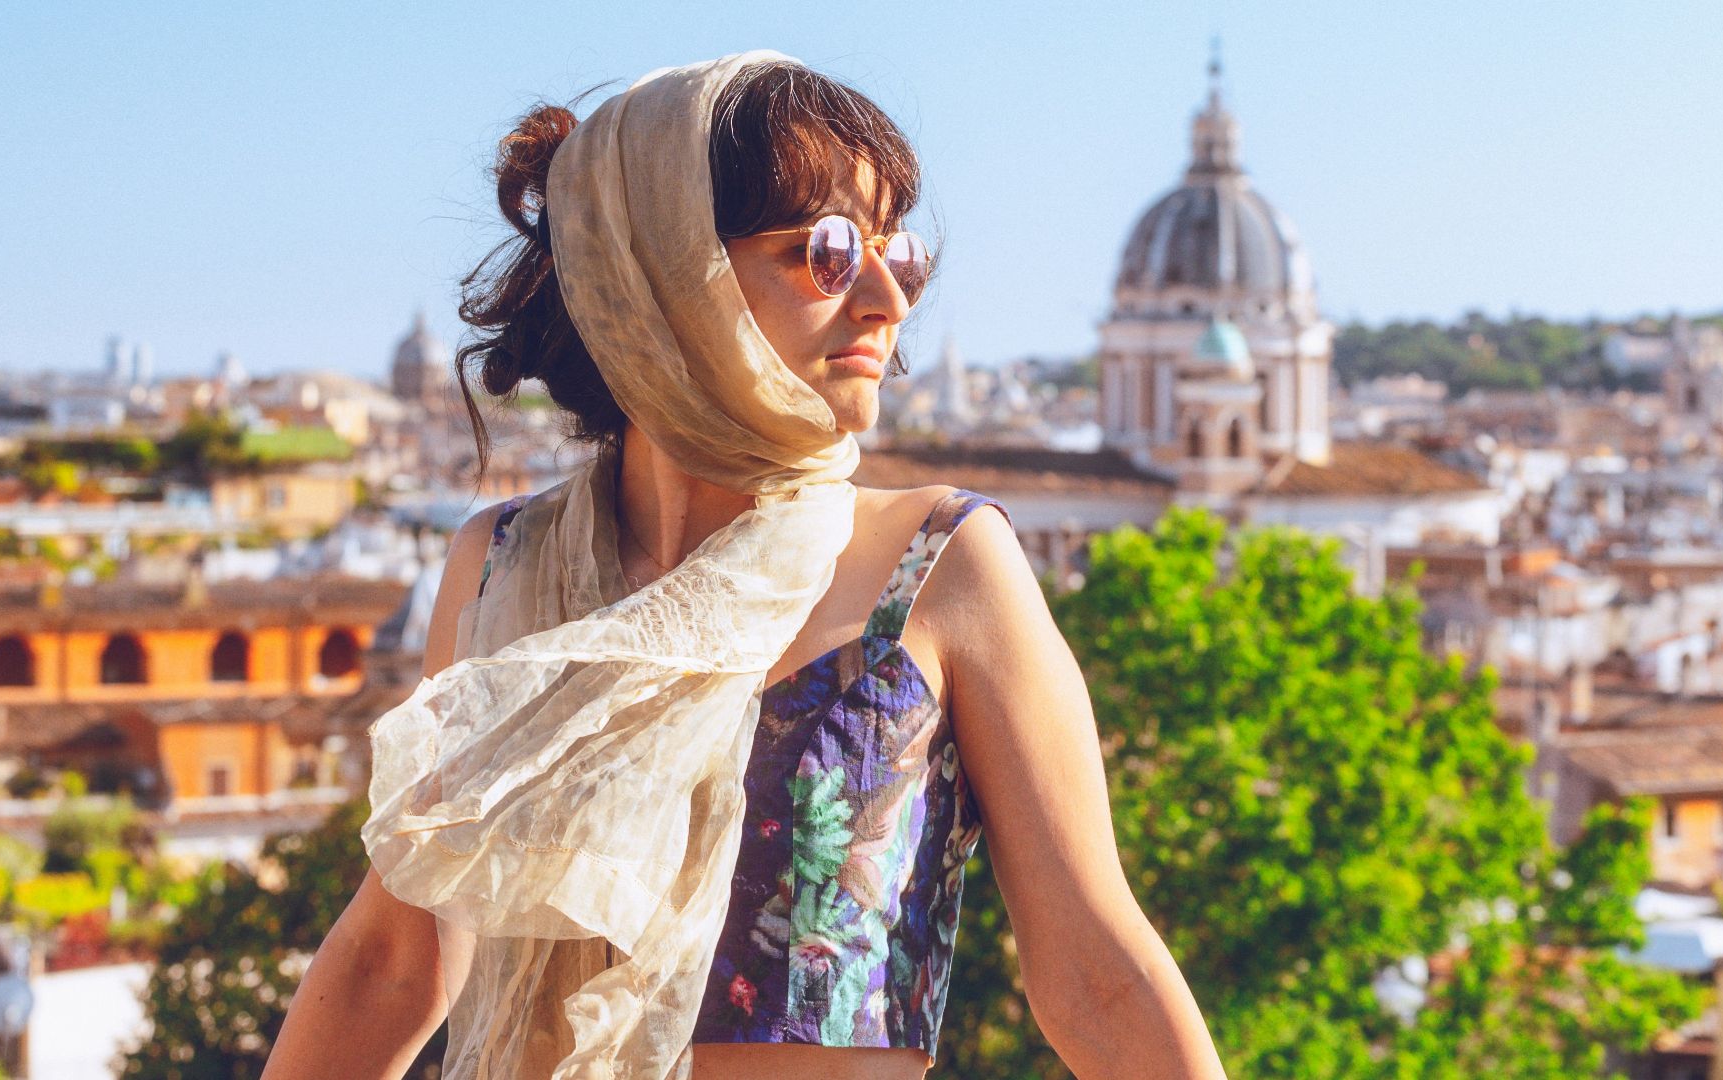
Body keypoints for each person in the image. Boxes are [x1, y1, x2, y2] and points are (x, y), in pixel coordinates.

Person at [262, 53, 1225, 1080]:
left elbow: (1095, 975)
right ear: (666, 268)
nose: (887, 298)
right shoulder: (499, 570)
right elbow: (396, 961)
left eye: (898, 251)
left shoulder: (938, 566)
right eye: (828, 250)